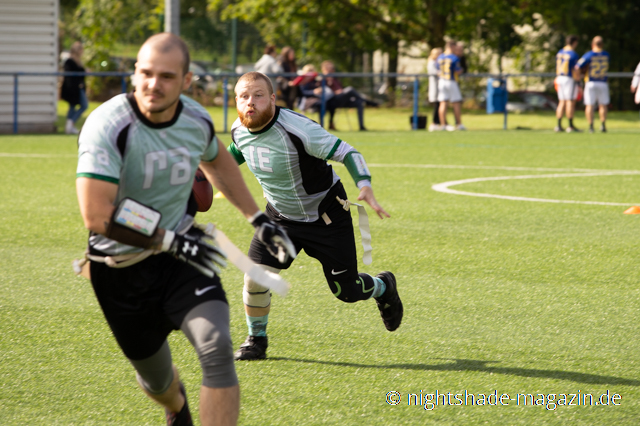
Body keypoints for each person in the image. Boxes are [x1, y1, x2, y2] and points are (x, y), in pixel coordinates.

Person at [75, 33, 294, 426]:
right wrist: (167, 237)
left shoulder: (194, 118)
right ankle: (175, 406)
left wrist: (257, 219)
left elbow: (218, 161)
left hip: (181, 258)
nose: (153, 84)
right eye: (146, 73)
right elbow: (98, 214)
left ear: (186, 80)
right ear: (134, 73)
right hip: (119, 268)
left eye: (166, 76)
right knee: (158, 381)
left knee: (217, 347)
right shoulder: (108, 124)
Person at [229, 71, 403, 361]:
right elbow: (235, 153)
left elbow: (347, 152)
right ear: (236, 101)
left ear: (272, 98)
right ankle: (256, 340)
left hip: (326, 216)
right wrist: (201, 173)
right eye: (244, 97)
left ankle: (384, 287)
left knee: (347, 291)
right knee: (255, 278)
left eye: (258, 95)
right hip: (280, 218)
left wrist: (365, 184)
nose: (251, 102)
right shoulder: (238, 128)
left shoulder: (298, 129)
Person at [575, 36, 610, 133]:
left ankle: (591, 126)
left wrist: (579, 76)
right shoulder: (606, 54)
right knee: (603, 105)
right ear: (602, 44)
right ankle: (603, 125)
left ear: (593, 44)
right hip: (603, 82)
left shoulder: (589, 54)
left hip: (591, 82)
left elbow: (577, 66)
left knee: (589, 105)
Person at [436, 41, 466, 131]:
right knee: (456, 103)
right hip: (451, 81)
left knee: (443, 103)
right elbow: (458, 70)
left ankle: (443, 125)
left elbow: (437, 70)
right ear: (452, 47)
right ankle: (459, 124)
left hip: (441, 81)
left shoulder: (440, 57)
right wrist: (462, 70)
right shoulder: (454, 57)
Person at [554, 35, 581, 133]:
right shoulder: (573, 54)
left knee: (561, 101)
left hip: (559, 77)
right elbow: (575, 69)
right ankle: (570, 126)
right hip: (568, 78)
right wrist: (578, 80)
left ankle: (558, 125)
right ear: (574, 42)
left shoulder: (560, 52)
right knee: (570, 101)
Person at [61, 41, 88, 134]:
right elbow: (70, 76)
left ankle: (69, 126)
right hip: (72, 88)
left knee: (73, 106)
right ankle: (71, 123)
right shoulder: (69, 62)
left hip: (78, 88)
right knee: (84, 105)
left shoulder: (79, 62)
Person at [427, 47, 443, 132]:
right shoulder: (431, 63)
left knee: (440, 104)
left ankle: (439, 122)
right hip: (435, 87)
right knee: (437, 105)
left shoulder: (438, 62)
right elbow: (434, 72)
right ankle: (434, 123)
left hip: (439, 86)